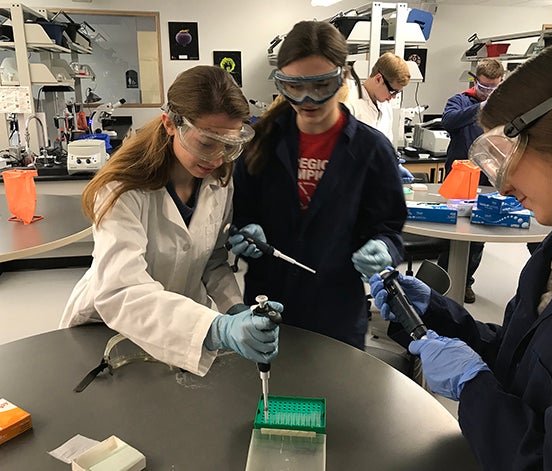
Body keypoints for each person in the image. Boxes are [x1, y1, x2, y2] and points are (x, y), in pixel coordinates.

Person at [370, 41, 552, 469]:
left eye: (505, 156)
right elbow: (522, 357)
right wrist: (436, 312)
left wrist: (475, 388)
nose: (504, 186)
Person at [60, 65, 282, 376]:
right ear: (170, 124)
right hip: (111, 330)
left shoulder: (219, 178)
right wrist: (218, 328)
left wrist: (236, 310)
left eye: (229, 145)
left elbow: (214, 261)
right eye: (206, 143)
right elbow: (121, 289)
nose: (218, 158)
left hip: (184, 326)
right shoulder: (123, 188)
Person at [228, 20, 407, 350]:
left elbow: (389, 226)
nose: (307, 100)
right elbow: (237, 213)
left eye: (320, 85)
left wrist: (385, 248)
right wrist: (242, 231)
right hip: (267, 304)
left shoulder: (372, 150)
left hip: (336, 310)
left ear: (342, 77)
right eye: (293, 87)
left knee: (335, 397)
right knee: (265, 396)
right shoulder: (261, 142)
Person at [438, 58, 505, 303]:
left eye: (494, 88)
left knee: (477, 237)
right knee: (452, 234)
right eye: (484, 87)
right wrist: (481, 106)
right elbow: (449, 121)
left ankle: (466, 282)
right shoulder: (460, 100)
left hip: (488, 179)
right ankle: (444, 282)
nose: (488, 91)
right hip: (459, 178)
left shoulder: (504, 108)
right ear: (475, 81)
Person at [343, 52, 414, 183]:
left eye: (398, 93)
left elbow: (385, 145)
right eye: (393, 91)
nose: (393, 97)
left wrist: (393, 163)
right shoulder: (350, 104)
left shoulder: (385, 107)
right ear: (378, 79)